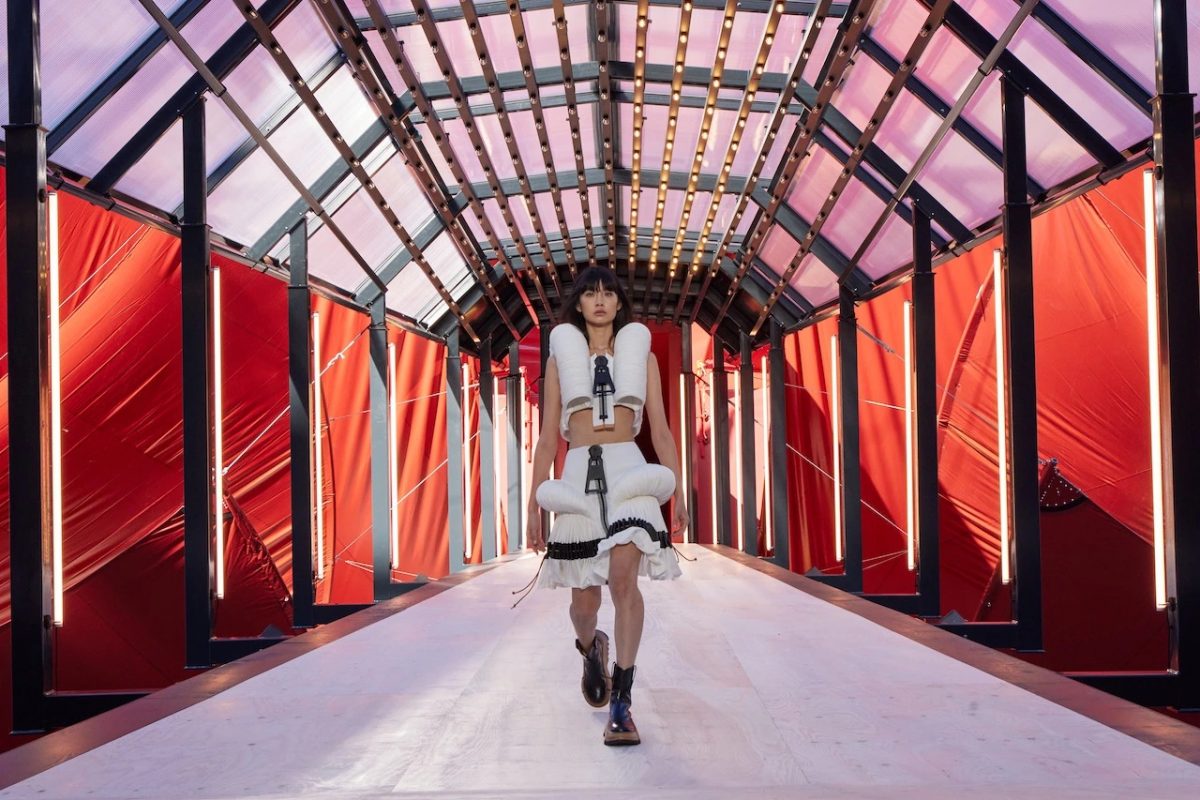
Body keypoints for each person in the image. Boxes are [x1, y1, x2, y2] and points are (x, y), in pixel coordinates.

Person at [521, 266, 689, 747]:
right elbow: (547, 437)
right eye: (590, 293)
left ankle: (622, 703)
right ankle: (590, 647)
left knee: (622, 579)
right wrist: (534, 503)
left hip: (629, 472)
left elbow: (660, 429)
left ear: (619, 303)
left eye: (608, 293)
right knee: (584, 604)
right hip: (578, 473)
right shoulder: (560, 361)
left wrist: (678, 490)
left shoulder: (642, 358)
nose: (599, 300)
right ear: (578, 304)